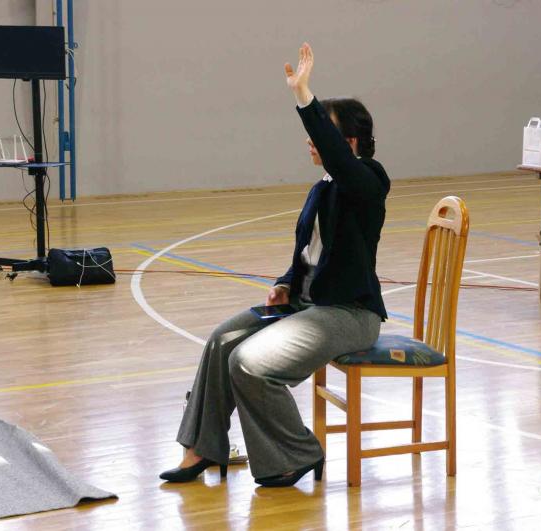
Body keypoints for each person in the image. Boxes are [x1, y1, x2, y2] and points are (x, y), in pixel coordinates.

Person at [160, 42, 390, 487]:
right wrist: (286, 283)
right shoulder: (323, 186)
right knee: (222, 341)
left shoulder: (369, 180)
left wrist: (303, 95)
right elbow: (307, 256)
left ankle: (298, 453)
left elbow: (342, 164)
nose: (310, 140)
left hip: (349, 313)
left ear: (348, 143)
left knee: (249, 362)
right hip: (307, 305)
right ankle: (201, 448)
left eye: (323, 132)